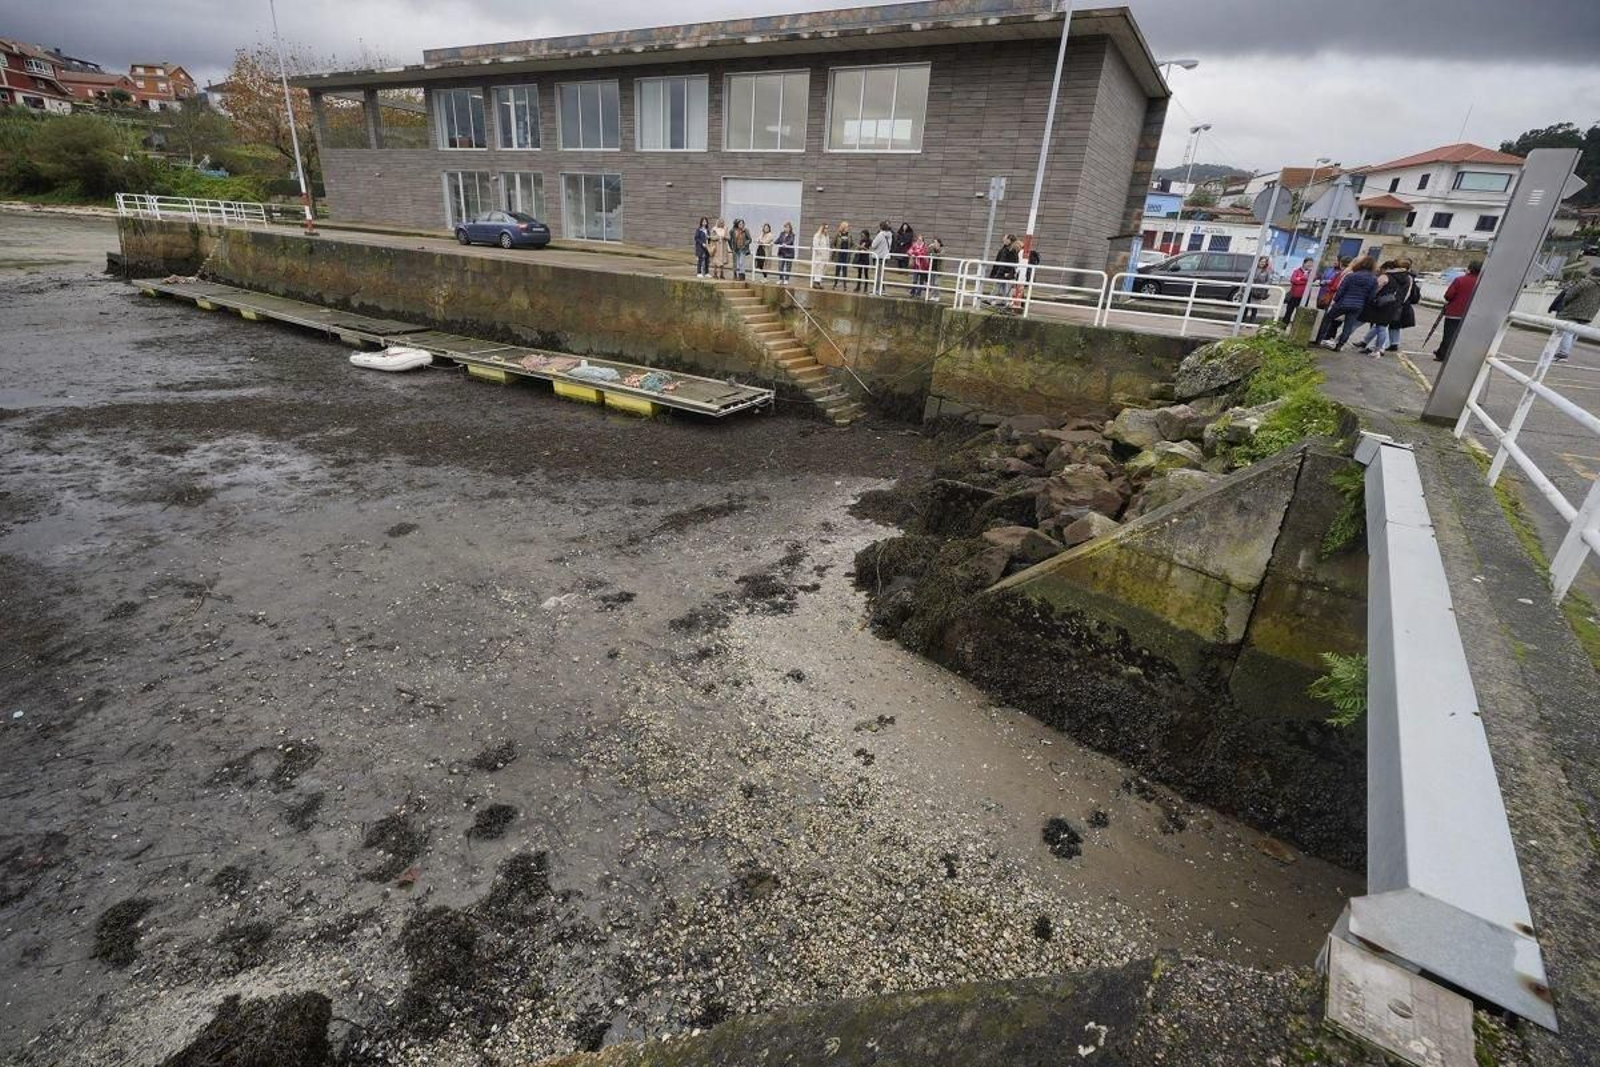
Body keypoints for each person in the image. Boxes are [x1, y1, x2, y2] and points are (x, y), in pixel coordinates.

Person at [1317, 256, 1380, 351]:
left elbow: (1341, 290)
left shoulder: (1351, 276)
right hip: (1358, 306)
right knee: (1348, 326)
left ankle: (1319, 339)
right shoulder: (1373, 279)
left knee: (1327, 319)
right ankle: (1339, 345)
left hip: (1343, 302)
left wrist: (1336, 301)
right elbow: (1371, 296)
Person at [1351, 260, 1412, 357]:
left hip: (1383, 302)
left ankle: (1377, 348)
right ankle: (1373, 346)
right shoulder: (1406, 277)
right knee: (1381, 326)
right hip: (1393, 304)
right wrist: (1399, 303)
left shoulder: (1390, 275)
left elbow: (1377, 288)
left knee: (1378, 325)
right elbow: (1407, 293)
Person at [1434, 261, 1481, 362]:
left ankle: (1443, 354)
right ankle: (1458, 355)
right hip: (1471, 313)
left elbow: (1449, 295)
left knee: (1449, 334)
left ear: (1470, 268)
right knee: (1465, 335)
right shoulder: (1482, 283)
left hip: (1455, 312)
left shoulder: (1460, 280)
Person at [1553, 266, 1600, 362]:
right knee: (1575, 334)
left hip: (1572, 311)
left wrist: (1565, 305)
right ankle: (1565, 352)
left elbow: (1569, 296)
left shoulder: (1584, 283)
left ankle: (1563, 353)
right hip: (1588, 314)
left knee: (1567, 332)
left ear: (1591, 273)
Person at [1313, 257, 1353, 343]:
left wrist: (1330, 288)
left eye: (1336, 261)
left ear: (1341, 263)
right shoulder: (1332, 270)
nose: (1335, 262)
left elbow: (1336, 286)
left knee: (1329, 319)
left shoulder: (1343, 274)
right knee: (1343, 323)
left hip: (1335, 299)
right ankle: (1337, 342)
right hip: (1341, 299)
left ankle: (1320, 338)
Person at [1386, 257, 1421, 353]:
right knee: (1394, 324)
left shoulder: (1407, 277)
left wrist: (1399, 303)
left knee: (1387, 323)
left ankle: (1388, 344)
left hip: (1399, 304)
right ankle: (1394, 343)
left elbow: (1407, 293)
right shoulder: (1405, 276)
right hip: (1399, 303)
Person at [1281, 257, 1314, 324]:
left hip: (1304, 296)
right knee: (1289, 312)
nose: (1309, 265)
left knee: (1300, 313)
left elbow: (1312, 280)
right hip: (1294, 295)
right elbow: (1293, 280)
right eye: (1308, 263)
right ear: (1304, 263)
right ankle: (1283, 326)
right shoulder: (1297, 271)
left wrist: (1300, 279)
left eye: (1311, 264)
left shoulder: (1311, 273)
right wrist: (1304, 279)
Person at [988, 235, 1019, 303]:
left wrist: (1006, 272)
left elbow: (1011, 261)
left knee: (998, 285)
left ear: (1009, 240)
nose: (1003, 239)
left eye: (1005, 238)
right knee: (1004, 287)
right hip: (1003, 270)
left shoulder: (1010, 250)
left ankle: (990, 300)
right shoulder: (1007, 248)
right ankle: (1005, 301)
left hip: (1004, 271)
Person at [1243, 255, 1273, 323]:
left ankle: (1251, 322)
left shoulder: (1267, 271)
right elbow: (1245, 279)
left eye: (1264, 262)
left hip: (1258, 292)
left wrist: (1262, 286)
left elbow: (1269, 281)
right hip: (1249, 291)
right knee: (1245, 306)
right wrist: (1241, 288)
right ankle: (1242, 320)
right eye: (1261, 261)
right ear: (1258, 262)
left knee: (1254, 308)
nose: (1262, 263)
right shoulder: (1252, 269)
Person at [870, 221, 893, 295]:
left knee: (878, 274)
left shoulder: (880, 235)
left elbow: (873, 245)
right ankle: (882, 289)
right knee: (882, 274)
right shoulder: (890, 235)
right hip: (885, 256)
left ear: (880, 227)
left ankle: (877, 290)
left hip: (879, 256)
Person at [908, 232, 931, 298]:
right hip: (916, 266)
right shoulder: (914, 245)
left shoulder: (925, 247)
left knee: (921, 281)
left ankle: (918, 293)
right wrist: (914, 253)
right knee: (914, 280)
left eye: (920, 240)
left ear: (923, 241)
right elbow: (909, 251)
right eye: (918, 240)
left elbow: (923, 253)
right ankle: (913, 292)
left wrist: (914, 253)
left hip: (923, 266)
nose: (919, 241)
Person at [832, 221, 853, 290]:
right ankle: (835, 284)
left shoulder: (849, 235)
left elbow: (852, 244)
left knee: (845, 270)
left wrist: (852, 250)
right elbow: (833, 244)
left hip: (846, 255)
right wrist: (835, 250)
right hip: (839, 254)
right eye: (847, 227)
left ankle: (845, 285)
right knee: (837, 270)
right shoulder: (838, 235)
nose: (848, 228)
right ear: (843, 227)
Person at [811, 224, 831, 289]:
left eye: (827, 228)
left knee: (822, 270)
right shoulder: (817, 235)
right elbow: (816, 245)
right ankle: (815, 282)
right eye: (825, 228)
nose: (826, 230)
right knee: (818, 269)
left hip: (825, 256)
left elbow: (828, 246)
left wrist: (827, 254)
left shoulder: (827, 236)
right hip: (819, 256)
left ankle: (819, 282)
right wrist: (820, 253)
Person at [925, 237, 945, 301]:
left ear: (939, 243)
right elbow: (926, 253)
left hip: (939, 269)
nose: (934, 244)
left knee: (937, 283)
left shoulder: (942, 249)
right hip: (932, 268)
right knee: (932, 283)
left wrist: (933, 254)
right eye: (934, 242)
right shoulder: (932, 249)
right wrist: (929, 247)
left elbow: (940, 255)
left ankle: (937, 296)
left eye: (936, 242)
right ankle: (933, 296)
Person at [854, 229, 873, 293]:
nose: (862, 236)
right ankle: (858, 286)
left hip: (866, 258)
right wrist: (859, 247)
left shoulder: (870, 241)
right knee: (859, 273)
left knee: (866, 273)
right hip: (860, 257)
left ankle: (866, 287)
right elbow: (859, 248)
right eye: (861, 235)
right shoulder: (861, 240)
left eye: (863, 235)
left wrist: (863, 248)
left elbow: (869, 249)